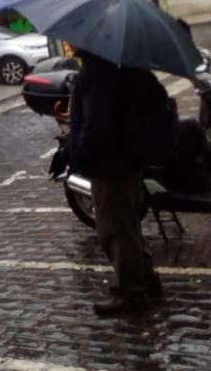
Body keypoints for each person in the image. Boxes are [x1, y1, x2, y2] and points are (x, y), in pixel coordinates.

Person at [69, 50, 167, 316]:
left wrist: (79, 154)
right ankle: (146, 278)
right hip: (130, 160)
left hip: (109, 164)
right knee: (128, 223)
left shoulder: (98, 71)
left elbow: (97, 125)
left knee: (114, 229)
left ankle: (131, 292)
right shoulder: (124, 63)